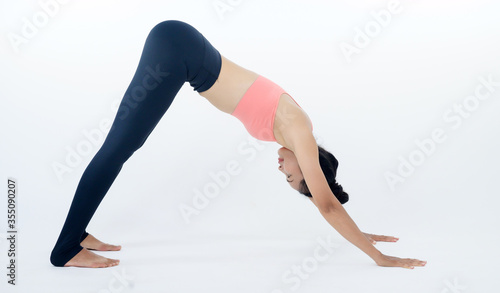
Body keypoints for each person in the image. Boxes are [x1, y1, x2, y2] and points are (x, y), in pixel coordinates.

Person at [50, 20, 427, 269]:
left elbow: (323, 196)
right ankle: (65, 250)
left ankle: (77, 232)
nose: (282, 171)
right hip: (178, 53)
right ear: (310, 166)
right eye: (291, 177)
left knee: (121, 148)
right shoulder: (299, 132)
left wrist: (357, 233)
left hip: (180, 48)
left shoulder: (295, 131)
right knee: (117, 151)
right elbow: (326, 204)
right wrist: (378, 256)